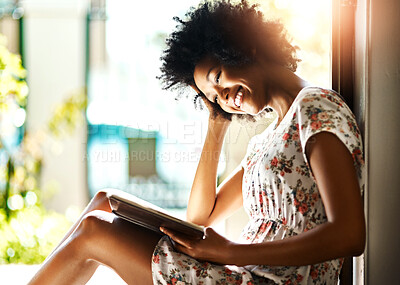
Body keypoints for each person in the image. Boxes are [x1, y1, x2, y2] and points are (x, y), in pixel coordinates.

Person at [29, 0, 365, 284]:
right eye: (213, 97)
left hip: (266, 279)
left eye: (218, 77)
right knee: (105, 201)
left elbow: (349, 233)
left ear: (243, 47)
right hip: (246, 270)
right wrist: (216, 124)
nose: (224, 98)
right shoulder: (270, 137)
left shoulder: (314, 106)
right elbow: (202, 216)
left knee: (94, 231)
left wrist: (231, 251)